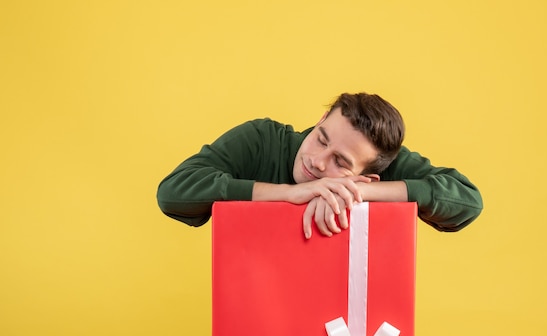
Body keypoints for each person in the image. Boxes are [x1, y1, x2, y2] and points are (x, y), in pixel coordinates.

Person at [157, 92, 483, 238]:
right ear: (321, 119)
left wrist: (357, 192)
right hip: (254, 318)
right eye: (321, 138)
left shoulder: (383, 168)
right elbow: (173, 192)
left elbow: (467, 201)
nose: (316, 161)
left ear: (368, 174)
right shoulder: (261, 138)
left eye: (340, 163)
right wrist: (287, 194)